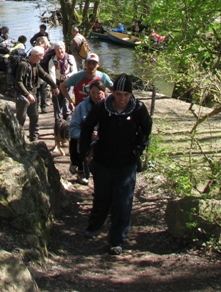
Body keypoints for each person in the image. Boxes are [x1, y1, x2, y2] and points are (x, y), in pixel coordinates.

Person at [79, 73, 152, 255]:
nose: (122, 99)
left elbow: (147, 127)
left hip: (126, 162)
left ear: (130, 95)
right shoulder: (103, 107)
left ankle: (117, 239)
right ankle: (95, 224)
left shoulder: (138, 109)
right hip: (103, 160)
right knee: (102, 196)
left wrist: (139, 146)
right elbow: (87, 126)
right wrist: (84, 150)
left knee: (123, 201)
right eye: (118, 94)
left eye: (125, 95)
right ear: (113, 93)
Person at [15, 46, 59, 142]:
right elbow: (18, 82)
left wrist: (54, 86)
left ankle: (34, 139)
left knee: (35, 117)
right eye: (41, 56)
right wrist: (27, 94)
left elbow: (44, 75)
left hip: (33, 94)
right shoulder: (23, 65)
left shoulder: (36, 64)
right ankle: (17, 139)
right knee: (21, 118)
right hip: (23, 96)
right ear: (35, 55)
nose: (42, 58)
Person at [69, 79, 104, 185]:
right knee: (77, 142)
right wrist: (87, 134)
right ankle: (80, 169)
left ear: (104, 93)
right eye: (93, 93)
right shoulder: (81, 107)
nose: (96, 96)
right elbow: (73, 129)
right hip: (84, 138)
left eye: (99, 93)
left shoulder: (109, 107)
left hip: (103, 139)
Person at [48, 41, 76, 121]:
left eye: (61, 49)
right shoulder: (52, 61)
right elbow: (52, 74)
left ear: (65, 48)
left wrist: (67, 76)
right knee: (57, 104)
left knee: (66, 101)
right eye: (57, 49)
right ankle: (58, 123)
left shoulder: (70, 58)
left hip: (68, 83)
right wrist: (54, 87)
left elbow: (75, 71)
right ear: (55, 51)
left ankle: (67, 122)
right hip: (57, 82)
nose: (59, 51)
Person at [36, 36, 54, 113]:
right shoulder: (35, 51)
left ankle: (43, 107)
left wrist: (48, 44)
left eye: (40, 44)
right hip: (36, 73)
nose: (39, 46)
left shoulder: (48, 51)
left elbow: (54, 50)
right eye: (37, 44)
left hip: (44, 73)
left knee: (43, 91)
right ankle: (35, 107)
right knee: (36, 91)